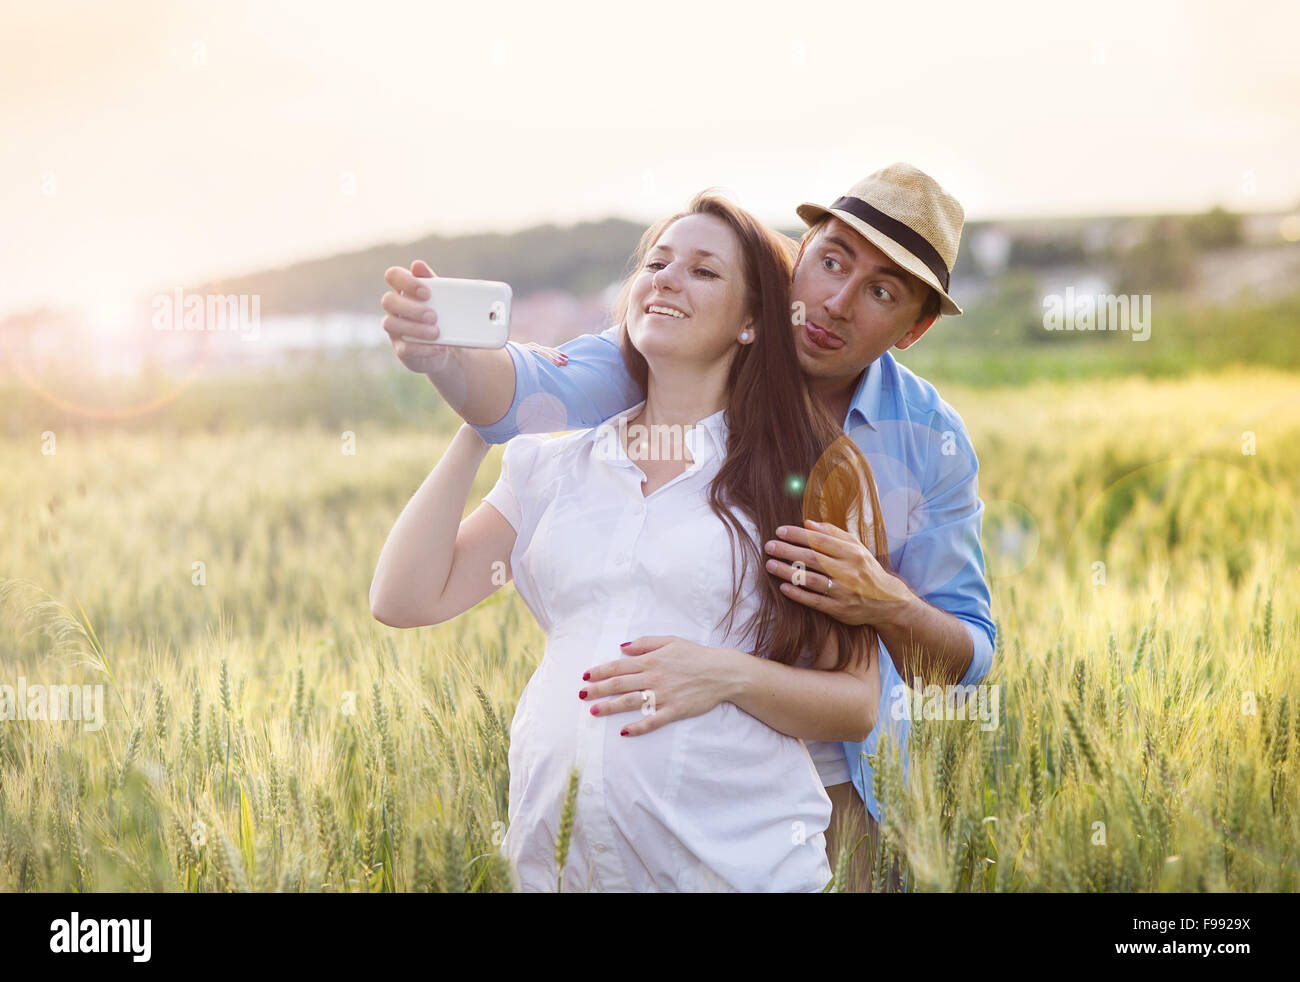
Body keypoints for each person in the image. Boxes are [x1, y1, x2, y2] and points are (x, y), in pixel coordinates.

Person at [371, 190, 893, 891]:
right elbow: (405, 597)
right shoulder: (554, 467)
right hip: (562, 870)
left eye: (704, 271)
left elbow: (855, 705)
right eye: (657, 262)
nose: (668, 278)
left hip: (735, 871)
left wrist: (725, 676)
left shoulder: (802, 479)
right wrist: (479, 424)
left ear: (751, 323)